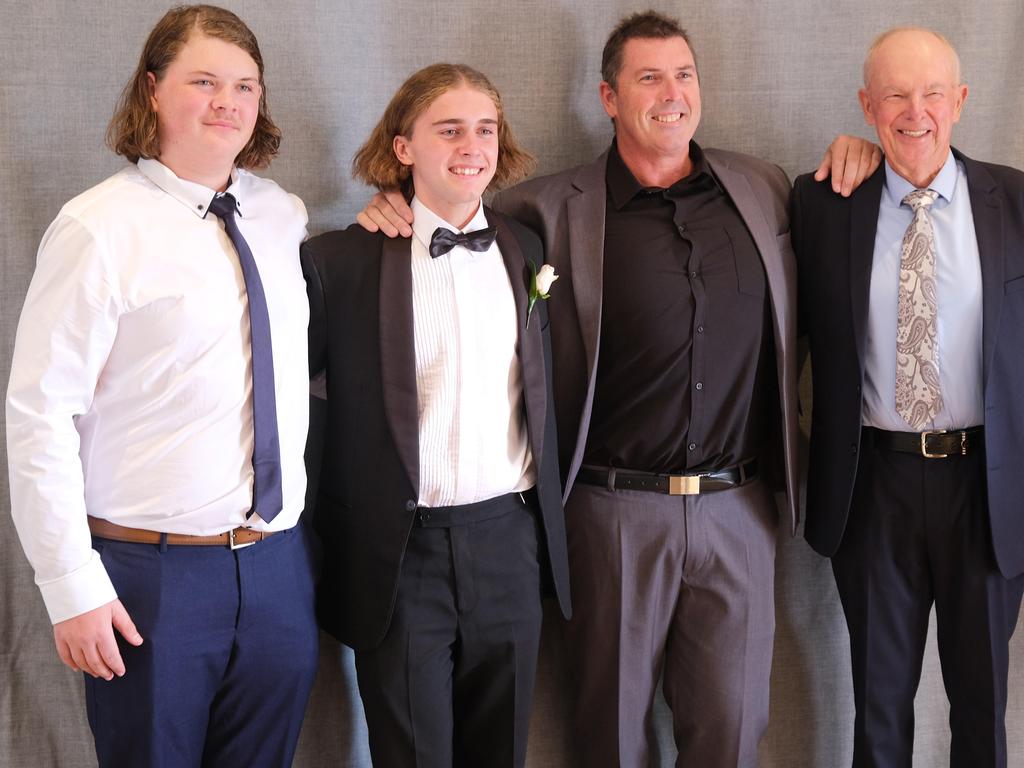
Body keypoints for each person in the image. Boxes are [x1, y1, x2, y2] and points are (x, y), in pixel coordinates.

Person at [357, 10, 880, 767]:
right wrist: (391, 204)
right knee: (610, 733)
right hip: (608, 512)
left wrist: (859, 148)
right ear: (607, 96)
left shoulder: (762, 188)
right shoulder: (540, 210)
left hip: (740, 509)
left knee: (735, 731)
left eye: (684, 75)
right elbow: (452, 222)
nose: (672, 93)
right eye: (649, 77)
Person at [5, 6, 317, 766]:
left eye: (245, 84)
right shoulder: (98, 227)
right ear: (152, 89)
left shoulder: (282, 216)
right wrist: (70, 585)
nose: (228, 101)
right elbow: (39, 413)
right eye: (203, 80)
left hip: (279, 566)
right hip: (152, 577)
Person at [302, 63, 570, 768]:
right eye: (448, 129)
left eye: (485, 129)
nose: (471, 145)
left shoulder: (526, 250)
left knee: (502, 749)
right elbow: (293, 414)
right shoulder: (339, 262)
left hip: (509, 541)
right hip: (399, 554)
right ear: (403, 147)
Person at [792, 26, 1024, 767]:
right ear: (867, 104)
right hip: (872, 485)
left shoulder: (1017, 201)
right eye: (895, 94)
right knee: (878, 707)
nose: (914, 111)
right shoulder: (822, 203)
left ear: (959, 101)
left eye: (931, 93)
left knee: (984, 709)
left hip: (988, 489)